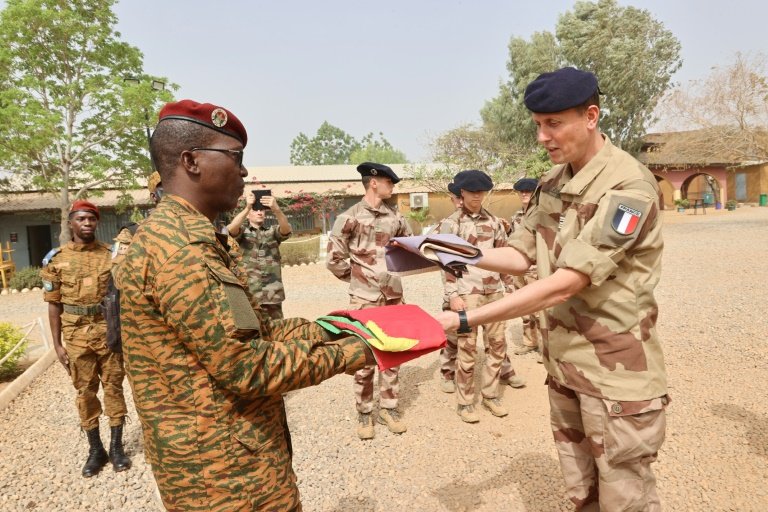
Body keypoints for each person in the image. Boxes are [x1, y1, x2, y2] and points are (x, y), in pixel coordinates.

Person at [114, 99, 374, 511]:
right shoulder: (183, 251)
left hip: (233, 462)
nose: (245, 171)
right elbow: (248, 369)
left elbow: (254, 331)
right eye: (235, 157)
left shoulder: (192, 236)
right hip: (224, 480)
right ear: (191, 161)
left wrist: (332, 327)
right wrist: (360, 351)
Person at [434, 67, 668, 511]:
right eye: (538, 124)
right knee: (582, 493)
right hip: (564, 367)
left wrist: (466, 319)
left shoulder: (629, 188)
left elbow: (565, 284)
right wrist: (451, 251)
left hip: (614, 375)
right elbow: (520, 254)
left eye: (554, 123)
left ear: (592, 116)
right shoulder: (553, 183)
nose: (542, 136)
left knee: (626, 499)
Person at [40, 200, 131, 477]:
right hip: (76, 334)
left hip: (108, 331)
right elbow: (53, 304)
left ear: (97, 223)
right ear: (71, 223)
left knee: (114, 387)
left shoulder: (111, 255)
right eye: (81, 219)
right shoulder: (55, 259)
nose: (87, 224)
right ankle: (96, 450)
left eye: (91, 219)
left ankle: (116, 448)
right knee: (85, 391)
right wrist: (57, 344)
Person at [326, 162, 412, 440]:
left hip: (393, 297)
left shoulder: (396, 218)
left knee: (393, 352)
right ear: (373, 182)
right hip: (364, 299)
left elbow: (410, 249)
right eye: (389, 182)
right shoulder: (348, 217)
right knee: (364, 357)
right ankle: (364, 412)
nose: (392, 186)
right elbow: (334, 259)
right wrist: (358, 280)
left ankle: (389, 407)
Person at [438, 170, 522, 423]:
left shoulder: (495, 222)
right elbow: (446, 263)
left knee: (497, 346)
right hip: (467, 293)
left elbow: (504, 256)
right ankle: (465, 402)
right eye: (472, 192)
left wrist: (509, 285)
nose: (477, 197)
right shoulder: (451, 224)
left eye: (481, 192)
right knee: (467, 349)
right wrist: (452, 295)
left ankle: (490, 395)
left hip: (494, 292)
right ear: (461, 193)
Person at [226, 189, 292, 319]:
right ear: (248, 215)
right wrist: (247, 207)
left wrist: (276, 209)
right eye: (255, 210)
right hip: (249, 294)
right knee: (253, 333)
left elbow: (286, 230)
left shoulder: (272, 232)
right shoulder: (242, 233)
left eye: (261, 210)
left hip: (272, 294)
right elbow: (231, 229)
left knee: (277, 332)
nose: (259, 212)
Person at [509, 177, 543, 357]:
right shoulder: (516, 217)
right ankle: (530, 342)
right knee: (524, 309)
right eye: (521, 191)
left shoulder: (542, 215)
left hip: (536, 269)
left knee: (539, 311)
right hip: (519, 270)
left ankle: (545, 348)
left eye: (528, 191)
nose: (524, 194)